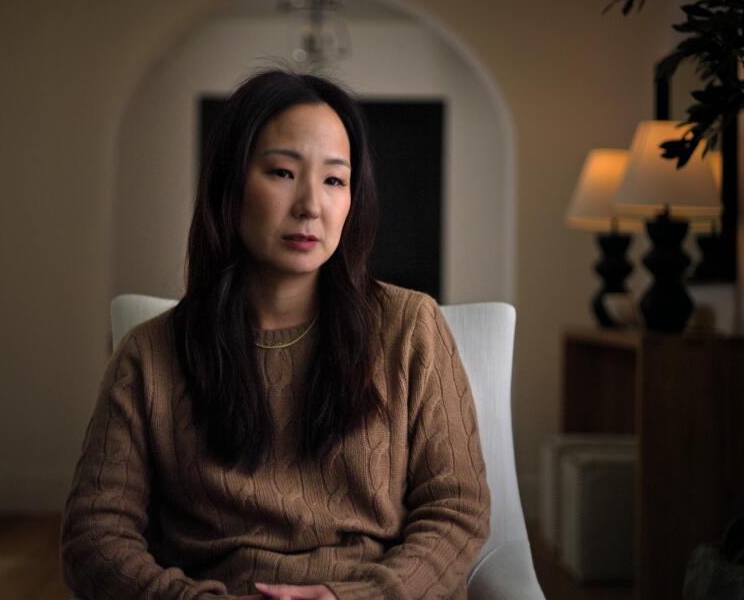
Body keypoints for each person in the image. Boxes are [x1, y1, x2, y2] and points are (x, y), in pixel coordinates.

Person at [61, 70, 490, 599]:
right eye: (283, 172)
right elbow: (94, 536)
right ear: (230, 183)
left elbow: (457, 511)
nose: (311, 205)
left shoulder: (409, 327)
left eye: (335, 180)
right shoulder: (150, 356)